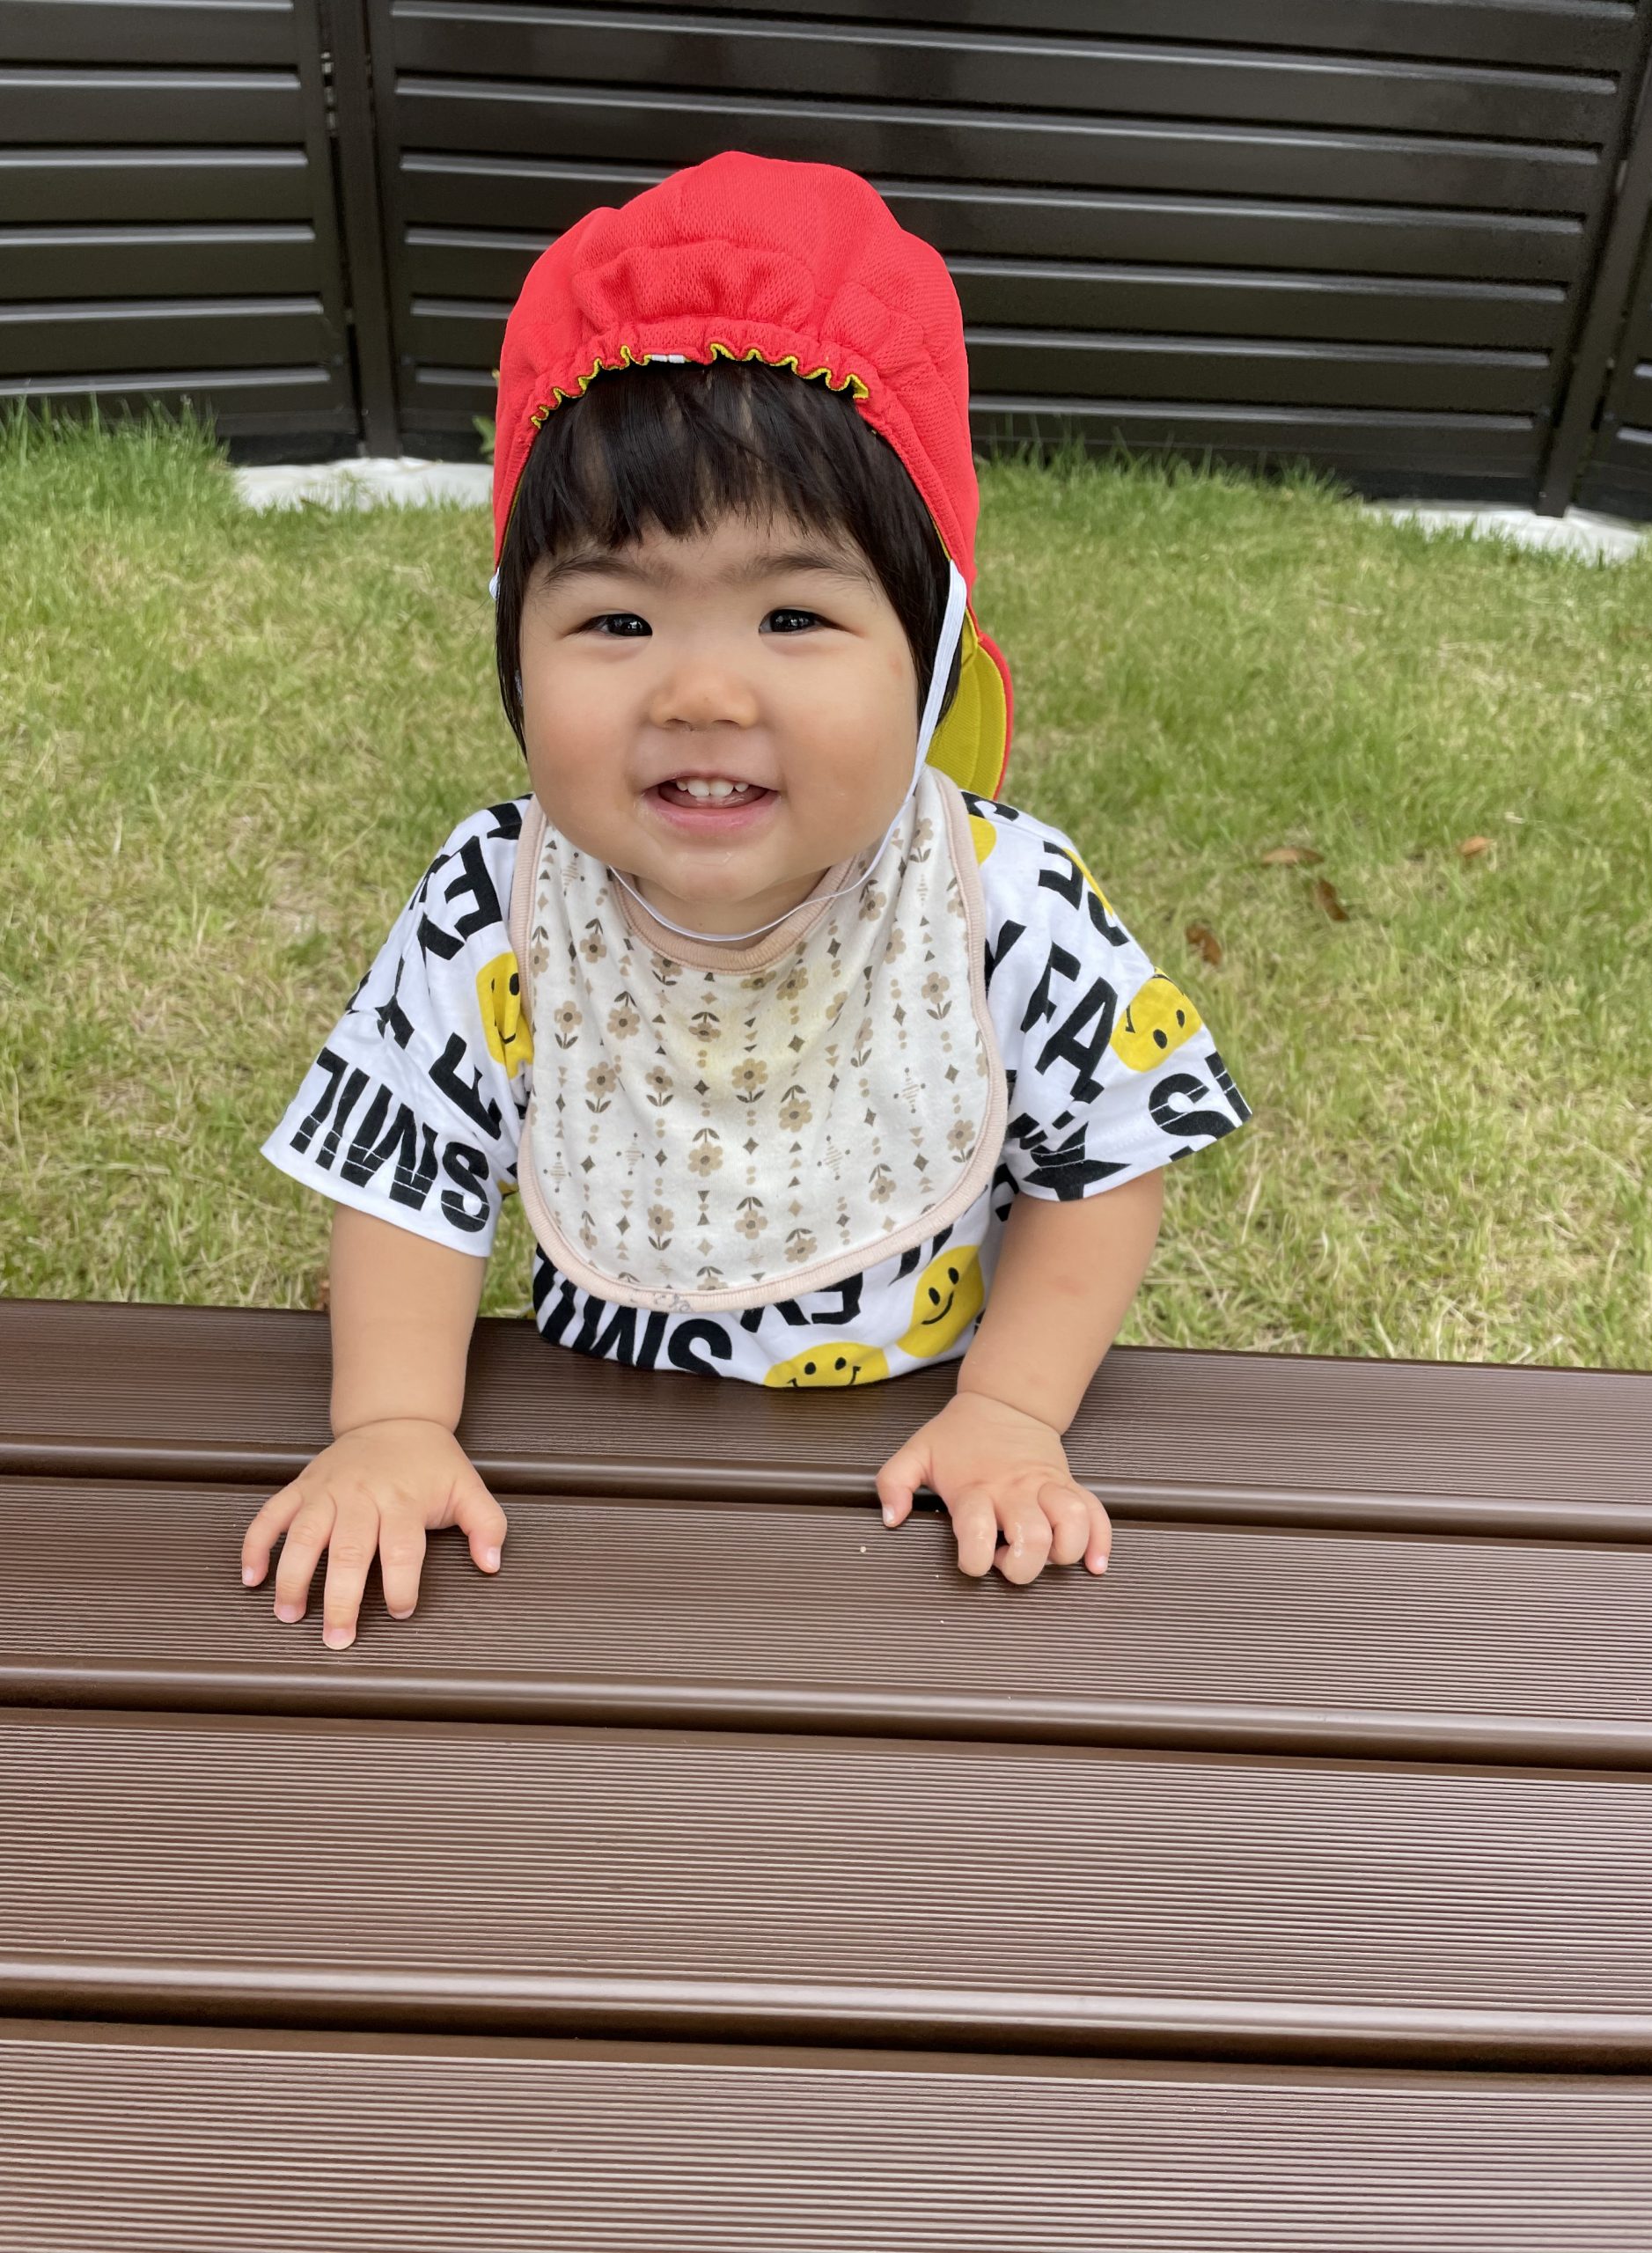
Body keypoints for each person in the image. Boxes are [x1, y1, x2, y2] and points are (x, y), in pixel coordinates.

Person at [246, 151, 1252, 1645]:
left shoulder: (997, 899)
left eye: (792, 613)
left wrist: (1015, 1410)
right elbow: (408, 1173)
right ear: (513, 651)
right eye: (616, 618)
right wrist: (392, 1423)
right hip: (589, 1464)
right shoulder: (496, 903)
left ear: (930, 651)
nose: (702, 693)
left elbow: (1107, 1159)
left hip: (921, 1457)